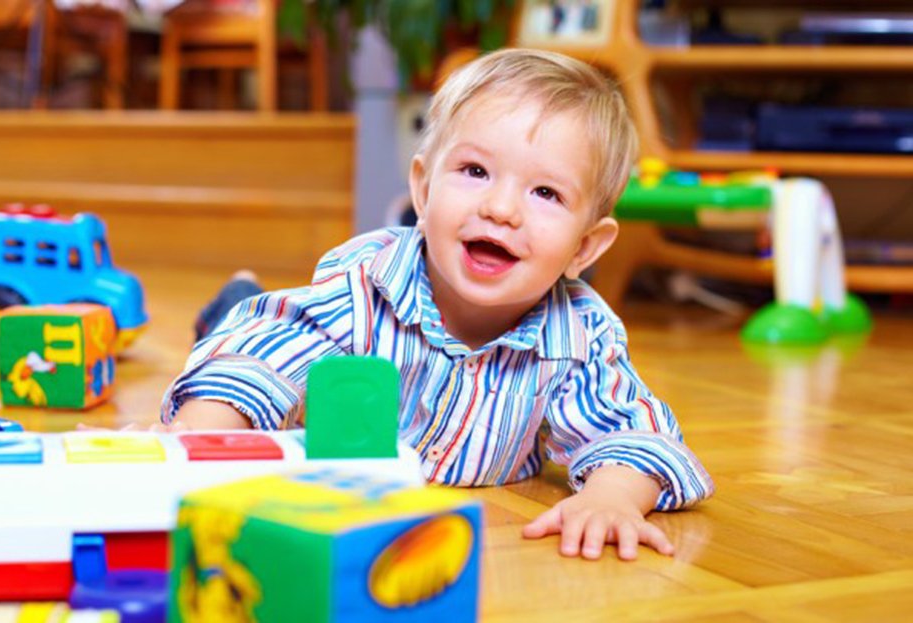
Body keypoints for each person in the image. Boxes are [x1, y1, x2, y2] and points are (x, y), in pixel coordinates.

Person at [162, 48, 714, 561]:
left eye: (545, 193)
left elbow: (632, 431)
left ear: (585, 247)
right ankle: (235, 297)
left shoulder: (579, 334)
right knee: (236, 326)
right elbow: (260, 360)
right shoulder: (366, 283)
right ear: (423, 194)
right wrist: (201, 433)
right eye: (475, 172)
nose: (500, 209)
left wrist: (613, 497)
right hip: (302, 419)